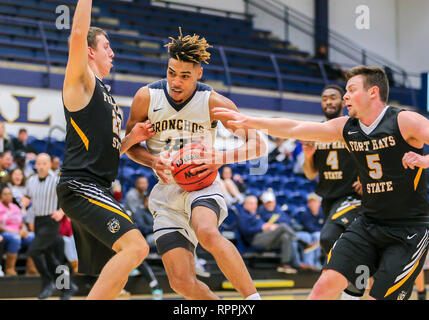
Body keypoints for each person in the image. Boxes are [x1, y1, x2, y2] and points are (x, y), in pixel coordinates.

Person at [213, 65, 429, 300]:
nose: (345, 96)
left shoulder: (404, 120)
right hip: (368, 222)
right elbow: (296, 127)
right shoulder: (346, 127)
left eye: (351, 90)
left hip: (408, 228)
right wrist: (249, 120)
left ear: (373, 92)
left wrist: (425, 160)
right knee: (322, 288)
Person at [125, 28, 266, 300]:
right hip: (166, 193)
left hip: (202, 184)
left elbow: (258, 144)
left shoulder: (213, 102)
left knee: (207, 232)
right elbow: (130, 146)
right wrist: (153, 160)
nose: (176, 82)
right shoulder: (146, 97)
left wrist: (220, 157)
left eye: (185, 75)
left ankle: (252, 300)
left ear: (199, 73)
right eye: (171, 73)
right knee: (181, 283)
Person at [55, 0, 155, 300]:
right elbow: (76, 34)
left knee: (115, 268)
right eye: (106, 46)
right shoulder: (81, 81)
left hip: (97, 185)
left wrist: (131, 138)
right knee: (137, 247)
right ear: (90, 51)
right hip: (80, 186)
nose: (112, 53)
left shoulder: (106, 95)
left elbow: (105, 153)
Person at [301, 84, 364, 298]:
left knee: (328, 238)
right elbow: (310, 174)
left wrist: (366, 178)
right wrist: (309, 155)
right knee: (345, 245)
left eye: (333, 98)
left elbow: (373, 156)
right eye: (325, 98)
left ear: (342, 101)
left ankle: (352, 289)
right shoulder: (316, 132)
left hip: (352, 197)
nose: (328, 102)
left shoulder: (353, 128)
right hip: (328, 199)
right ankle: (355, 283)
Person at [22, 154, 78, 299]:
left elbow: (70, 198)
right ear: (35, 165)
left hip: (52, 221)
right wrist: (25, 200)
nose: (41, 166)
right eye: (38, 163)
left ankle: (48, 283)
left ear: (49, 165)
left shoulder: (57, 179)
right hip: (38, 222)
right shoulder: (31, 180)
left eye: (44, 163)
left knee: (33, 251)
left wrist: (62, 211)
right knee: (52, 258)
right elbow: (27, 197)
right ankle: (68, 288)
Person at [237, 195, 297, 274]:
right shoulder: (243, 215)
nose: (254, 206)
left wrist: (269, 226)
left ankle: (284, 264)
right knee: (282, 226)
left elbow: (262, 225)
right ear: (245, 204)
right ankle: (300, 241)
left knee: (285, 236)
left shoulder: (254, 214)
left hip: (265, 237)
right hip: (255, 239)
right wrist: (262, 228)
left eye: (255, 204)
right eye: (251, 203)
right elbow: (245, 231)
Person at [0, 186, 35, 276]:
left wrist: (23, 229)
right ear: (1, 196)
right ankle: (10, 269)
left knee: (33, 237)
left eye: (10, 194)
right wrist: (15, 232)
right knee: (15, 238)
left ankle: (30, 268)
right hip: (5, 234)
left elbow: (22, 222)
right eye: (5, 194)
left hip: (18, 233)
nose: (8, 196)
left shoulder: (15, 206)